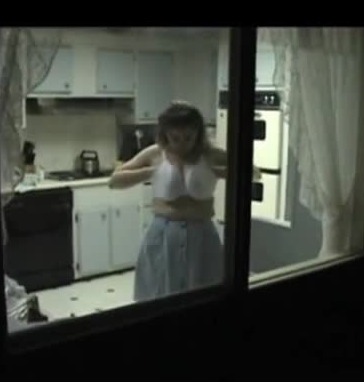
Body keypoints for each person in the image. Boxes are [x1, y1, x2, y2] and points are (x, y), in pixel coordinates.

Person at [108, 101, 260, 302]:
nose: (182, 144)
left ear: (198, 133)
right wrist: (151, 172)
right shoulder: (155, 153)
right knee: (161, 298)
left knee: (205, 296)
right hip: (163, 236)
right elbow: (114, 181)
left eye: (189, 137)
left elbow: (254, 173)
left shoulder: (210, 155)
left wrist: (219, 172)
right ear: (165, 134)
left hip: (202, 235)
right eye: (175, 138)